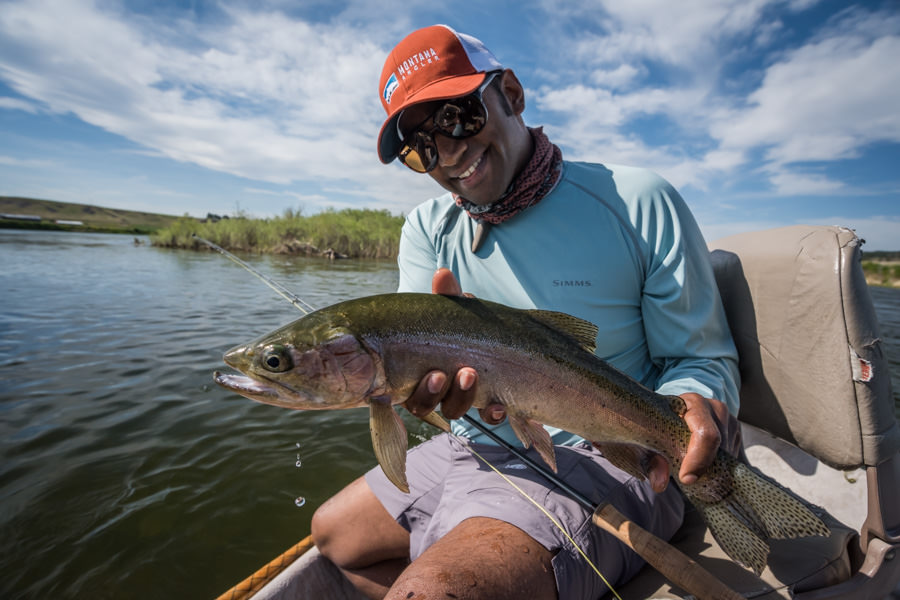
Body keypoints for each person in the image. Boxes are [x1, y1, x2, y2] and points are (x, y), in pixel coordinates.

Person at [311, 24, 741, 600]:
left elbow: (699, 356)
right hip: (477, 442)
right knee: (333, 535)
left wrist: (693, 403)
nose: (450, 152)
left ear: (510, 94)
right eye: (422, 146)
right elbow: (420, 388)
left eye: (458, 116)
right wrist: (424, 395)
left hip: (609, 450)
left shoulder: (638, 201)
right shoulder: (425, 230)